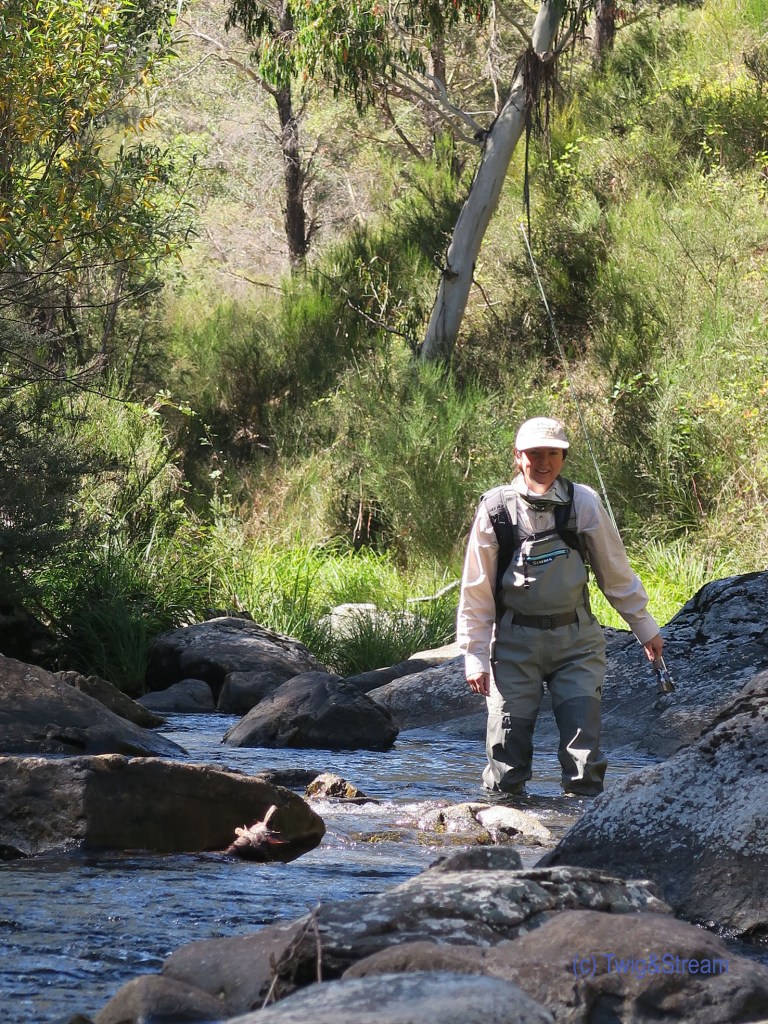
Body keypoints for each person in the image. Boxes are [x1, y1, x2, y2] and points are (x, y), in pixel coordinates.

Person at [456, 416, 663, 796]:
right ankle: (508, 840)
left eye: (553, 453)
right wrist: (474, 655)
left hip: (577, 644)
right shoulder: (495, 510)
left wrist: (644, 627)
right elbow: (476, 590)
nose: (544, 462)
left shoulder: (583, 503)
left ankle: (579, 844)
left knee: (585, 762)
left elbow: (614, 573)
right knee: (506, 766)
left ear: (564, 457)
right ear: (518, 456)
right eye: (535, 453)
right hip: (514, 646)